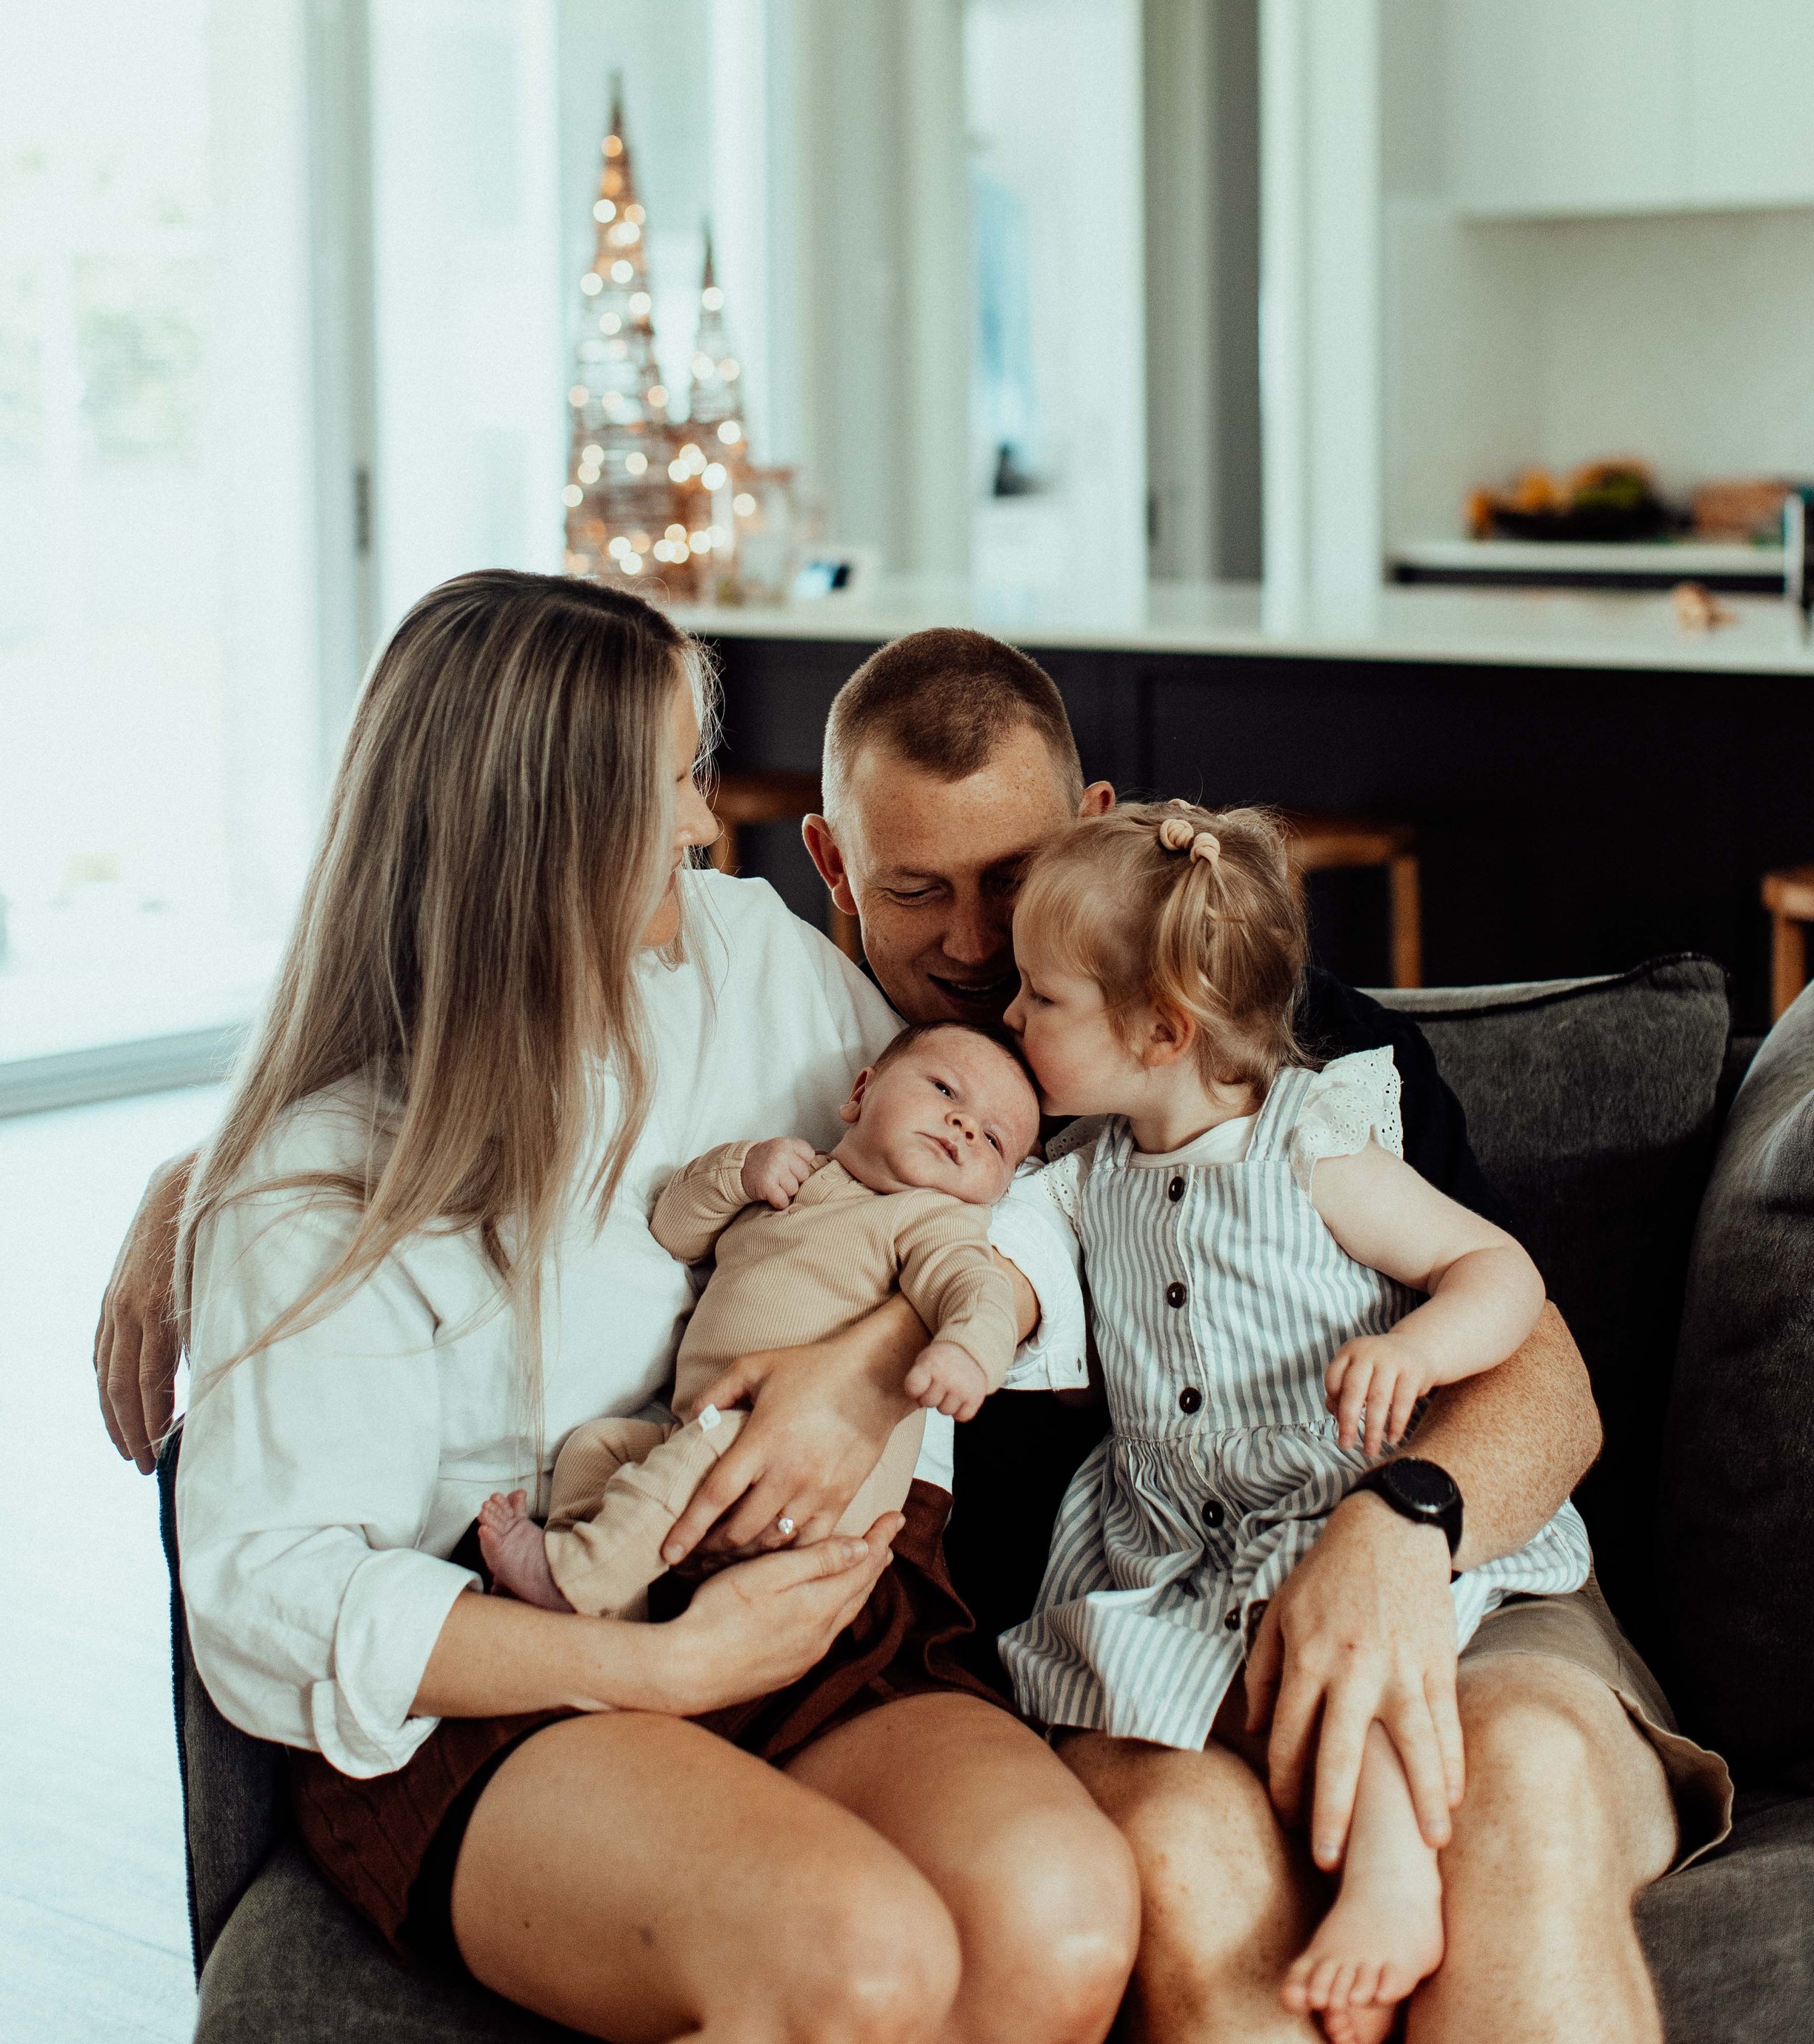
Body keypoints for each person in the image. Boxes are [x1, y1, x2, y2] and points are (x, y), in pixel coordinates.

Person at [97, 618, 1725, 2041]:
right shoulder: (855, 1045)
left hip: (1422, 1567)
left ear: (1101, 839)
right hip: (1130, 1647)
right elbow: (448, 1063)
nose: (977, 953)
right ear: (829, 875)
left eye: (1020, 889)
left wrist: (1402, 1528)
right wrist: (216, 1168)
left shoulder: (1255, 1048)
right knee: (1161, 1875)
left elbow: (1535, 1365)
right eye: (915, 893)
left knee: (1504, 1788)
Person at [166, 576, 1138, 2042]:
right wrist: (652, 1663)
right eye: (672, 780)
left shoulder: (749, 963)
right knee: (855, 1964)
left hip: (824, 1613)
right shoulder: (317, 1182)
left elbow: (1025, 1168)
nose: (703, 820)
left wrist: (869, 1363)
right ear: (542, 823)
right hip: (512, 1667)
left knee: (1056, 1926)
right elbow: (269, 1594)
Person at [996, 801, 1592, 2044]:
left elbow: (1500, 1274)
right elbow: (999, 1285)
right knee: (1138, 1677)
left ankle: (1393, 1879)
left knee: (1330, 1625)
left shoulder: (1316, 1134)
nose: (1008, 1015)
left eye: (1038, 1000)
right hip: (1174, 1540)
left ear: (1160, 1028)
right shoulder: (1083, 1170)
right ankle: (1334, 1894)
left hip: (1324, 1493)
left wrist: (1415, 1348)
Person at [478, 1022, 1038, 1617]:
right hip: (699, 1430)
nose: (967, 1127)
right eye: (947, 1091)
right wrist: (740, 1172)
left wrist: (966, 1351)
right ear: (860, 1093)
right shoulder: (788, 1176)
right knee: (598, 1446)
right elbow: (675, 1229)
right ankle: (609, 1598)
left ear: (998, 1191)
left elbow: (976, 1288)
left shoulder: (932, 1221)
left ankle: (572, 1577)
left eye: (996, 1142)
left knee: (706, 1453)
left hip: (816, 1472)